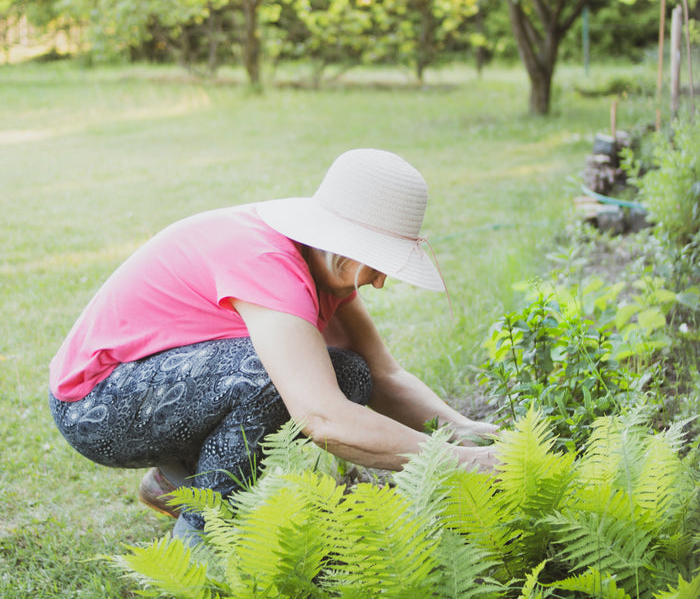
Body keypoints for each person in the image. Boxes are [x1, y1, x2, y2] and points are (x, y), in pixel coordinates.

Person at [49, 148, 499, 545]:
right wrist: (464, 462)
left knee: (351, 373)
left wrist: (475, 435)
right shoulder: (267, 264)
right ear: (342, 246)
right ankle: (205, 535)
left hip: (153, 386)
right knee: (270, 379)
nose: (381, 281)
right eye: (380, 262)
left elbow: (385, 376)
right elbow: (322, 417)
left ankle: (176, 480)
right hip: (96, 406)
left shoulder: (322, 266)